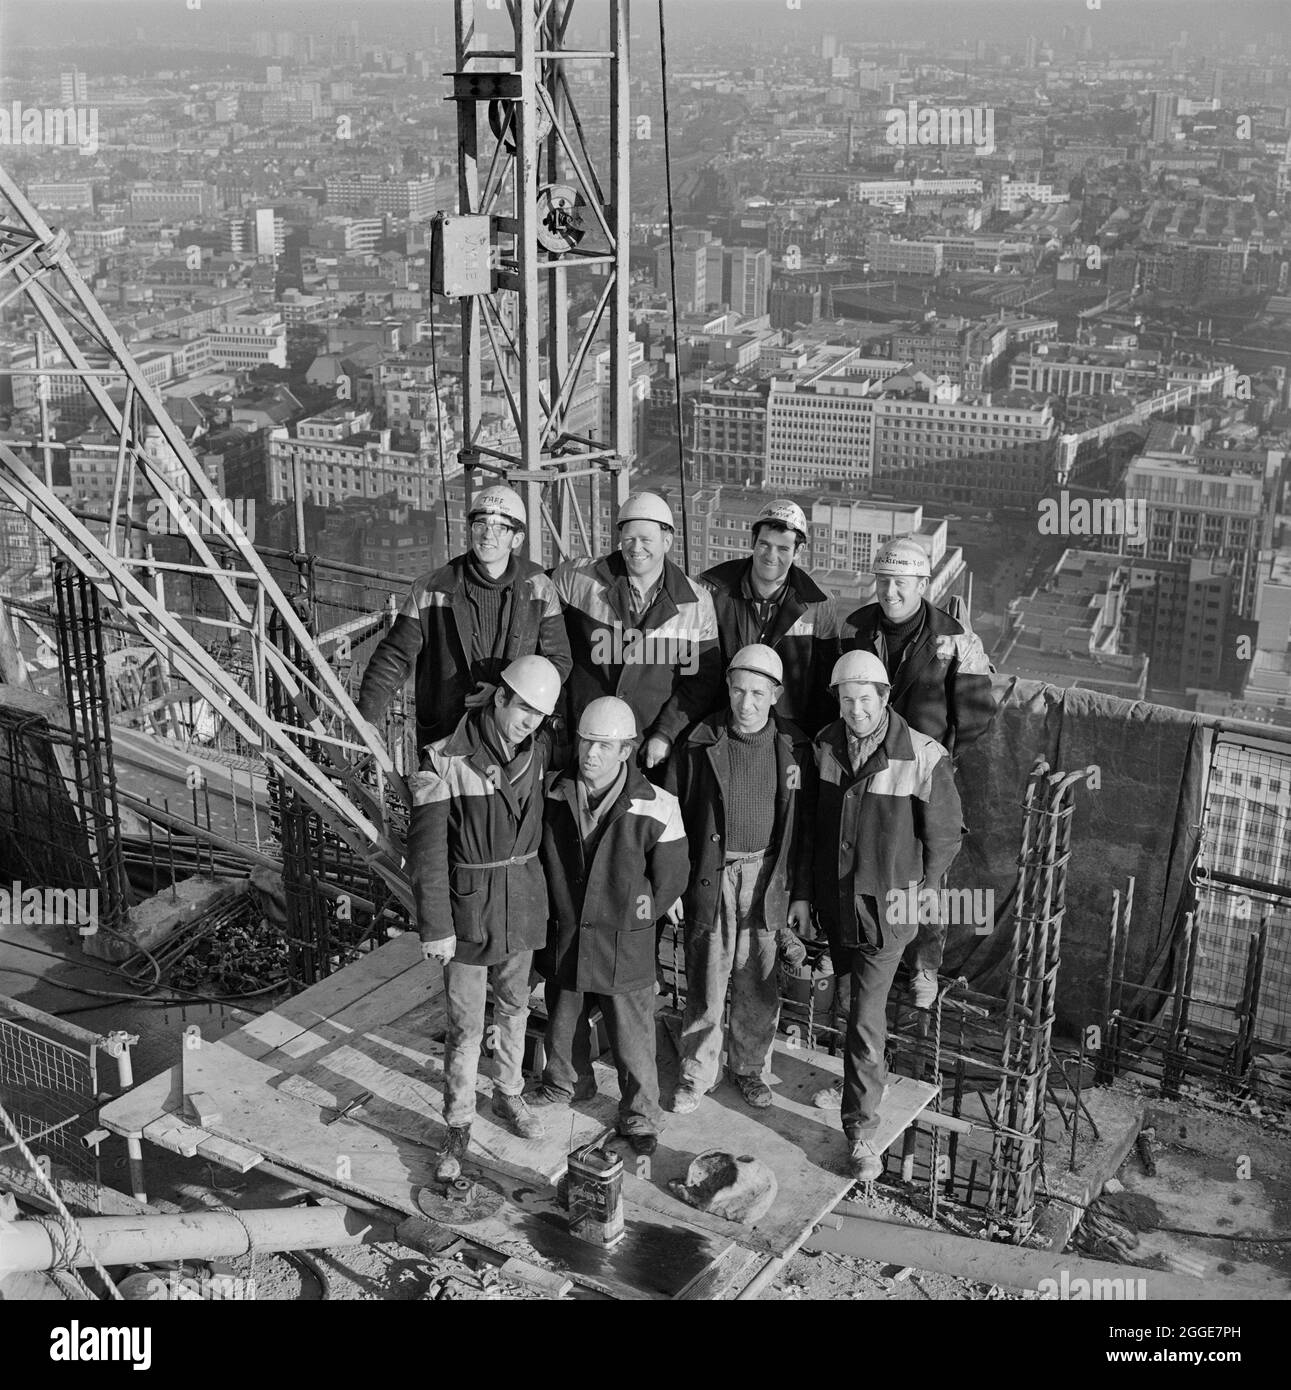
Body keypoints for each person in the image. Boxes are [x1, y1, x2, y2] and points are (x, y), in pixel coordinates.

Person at [405, 655, 562, 1182]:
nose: (529, 722)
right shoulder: (444, 760)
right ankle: (459, 1122)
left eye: (539, 715)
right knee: (466, 1024)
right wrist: (436, 928)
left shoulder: (537, 753)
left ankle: (509, 1094)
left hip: (521, 904)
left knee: (515, 1007)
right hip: (469, 910)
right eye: (523, 708)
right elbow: (426, 853)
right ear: (499, 697)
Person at [809, 650, 963, 1179]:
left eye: (864, 700)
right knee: (850, 1006)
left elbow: (941, 847)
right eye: (846, 700)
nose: (855, 710)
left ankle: (861, 1132)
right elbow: (814, 828)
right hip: (839, 906)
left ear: (884, 697)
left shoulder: (923, 756)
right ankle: (856, 1083)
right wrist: (808, 896)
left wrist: (923, 929)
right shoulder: (826, 745)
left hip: (886, 910)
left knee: (866, 1019)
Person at [836, 536, 995, 1006]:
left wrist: (937, 755)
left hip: (922, 772)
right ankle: (853, 953)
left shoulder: (955, 638)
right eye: (883, 581)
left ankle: (923, 966)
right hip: (862, 765)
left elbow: (976, 713)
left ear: (923, 585)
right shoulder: (855, 628)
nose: (889, 592)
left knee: (929, 870)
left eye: (901, 583)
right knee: (859, 857)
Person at [530, 697, 690, 1156]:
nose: (590, 754)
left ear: (627, 751)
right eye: (585, 742)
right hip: (567, 932)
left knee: (632, 1032)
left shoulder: (658, 806)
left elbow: (670, 879)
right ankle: (564, 1085)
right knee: (563, 1016)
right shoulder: (554, 794)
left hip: (625, 942)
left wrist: (633, 917)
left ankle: (640, 1115)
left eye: (604, 745)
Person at [666, 644, 815, 1114]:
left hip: (768, 876)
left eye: (757, 693)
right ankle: (696, 1073)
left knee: (758, 980)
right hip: (711, 876)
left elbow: (805, 828)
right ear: (727, 689)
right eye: (737, 691)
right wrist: (670, 883)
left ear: (775, 695)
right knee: (707, 975)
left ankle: (749, 1069)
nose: (745, 703)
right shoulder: (699, 741)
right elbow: (668, 815)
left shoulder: (795, 748)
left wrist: (801, 895)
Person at [357, 485, 571, 760]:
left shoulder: (539, 588)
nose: (487, 534)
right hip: (447, 737)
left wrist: (503, 694)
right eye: (480, 523)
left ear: (516, 539)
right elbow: (394, 656)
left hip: (510, 740)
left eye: (500, 527)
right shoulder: (432, 589)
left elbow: (558, 661)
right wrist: (366, 715)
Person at [551, 492, 720, 773]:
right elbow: (537, 613)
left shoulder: (696, 604)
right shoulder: (579, 581)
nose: (635, 548)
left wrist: (666, 731)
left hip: (645, 748)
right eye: (629, 539)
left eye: (646, 540)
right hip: (583, 741)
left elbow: (700, 682)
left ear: (667, 541)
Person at [699, 499, 840, 734]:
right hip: (719, 729)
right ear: (753, 541)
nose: (771, 556)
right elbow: (692, 670)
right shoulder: (712, 591)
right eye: (764, 544)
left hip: (787, 736)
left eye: (783, 548)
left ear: (799, 551)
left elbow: (824, 688)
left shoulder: (818, 604)